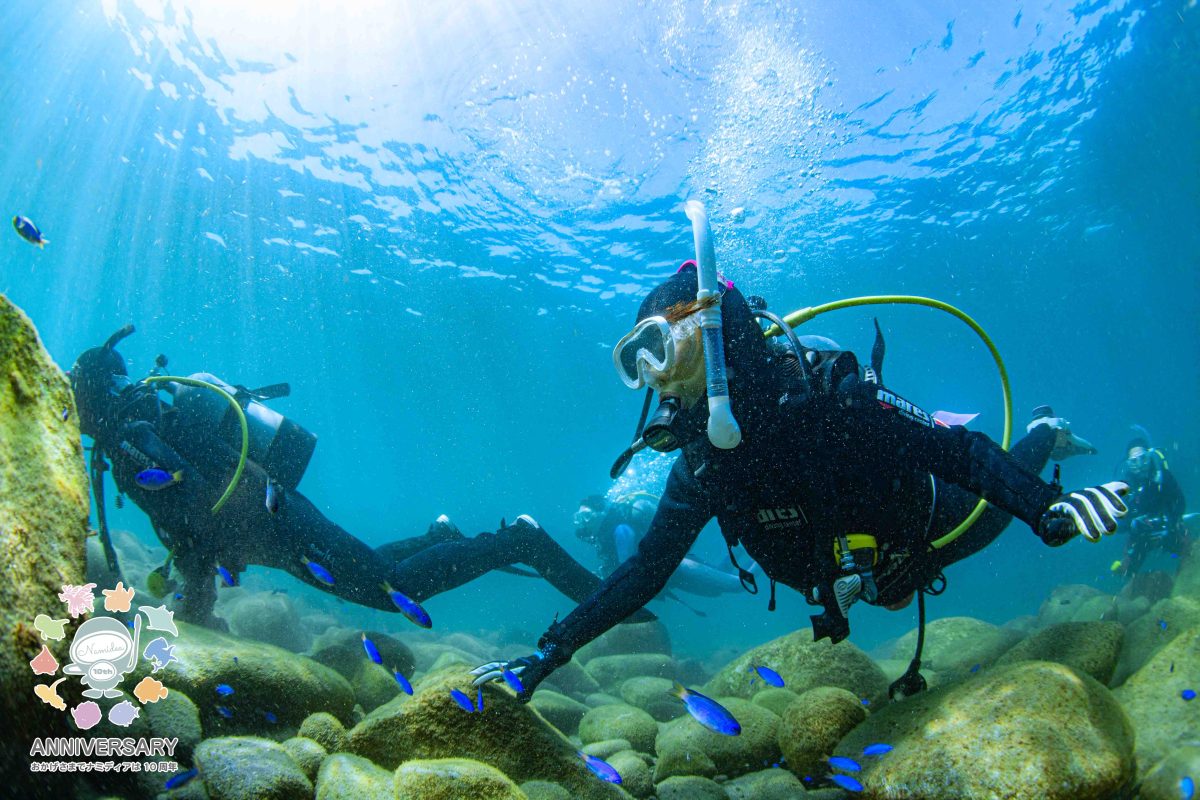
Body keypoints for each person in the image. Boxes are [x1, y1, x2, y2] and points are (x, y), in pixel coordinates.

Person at [474, 258, 1128, 700]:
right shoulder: (701, 460)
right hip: (847, 579)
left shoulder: (829, 396)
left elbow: (957, 452)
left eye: (660, 346)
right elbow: (645, 570)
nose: (653, 375)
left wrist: (1045, 510)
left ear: (712, 328)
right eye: (633, 362)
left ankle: (1047, 431)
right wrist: (550, 653)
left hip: (930, 529)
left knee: (993, 511)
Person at [70, 326, 630, 629]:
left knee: (393, 591)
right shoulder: (149, 414)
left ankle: (517, 540)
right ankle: (439, 538)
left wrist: (195, 596)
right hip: (273, 520)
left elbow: (186, 495)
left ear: (91, 398)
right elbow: (191, 504)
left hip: (273, 525)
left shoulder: (128, 436)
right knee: (376, 572)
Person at [574, 492, 746, 601]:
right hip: (671, 571)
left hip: (677, 566)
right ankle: (744, 547)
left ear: (601, 512)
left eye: (586, 516)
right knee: (719, 581)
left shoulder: (620, 529)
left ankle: (763, 551)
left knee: (737, 585)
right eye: (579, 518)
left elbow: (626, 568)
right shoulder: (605, 534)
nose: (583, 523)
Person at [1110, 430, 1189, 578]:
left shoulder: (1163, 476)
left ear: (1149, 456)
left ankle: (1187, 577)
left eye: (1143, 459)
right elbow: (1118, 525)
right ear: (1128, 464)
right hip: (1141, 536)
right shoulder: (1125, 487)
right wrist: (1134, 523)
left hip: (1169, 528)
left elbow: (1180, 502)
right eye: (1134, 462)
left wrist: (1170, 519)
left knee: (1190, 554)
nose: (1139, 466)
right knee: (1127, 571)